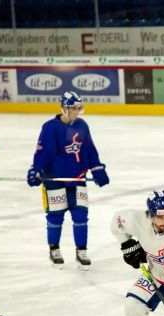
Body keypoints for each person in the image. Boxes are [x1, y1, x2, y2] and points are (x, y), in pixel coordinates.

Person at [26, 91, 110, 270]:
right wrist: (37, 169)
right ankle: (54, 249)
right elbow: (43, 152)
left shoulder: (82, 125)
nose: (77, 112)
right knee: (55, 217)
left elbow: (89, 150)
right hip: (54, 180)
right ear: (64, 108)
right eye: (74, 108)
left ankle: (81, 251)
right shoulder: (50, 127)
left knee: (80, 215)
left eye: (79, 108)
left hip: (77, 178)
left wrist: (97, 168)